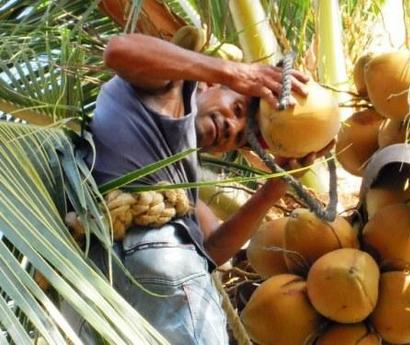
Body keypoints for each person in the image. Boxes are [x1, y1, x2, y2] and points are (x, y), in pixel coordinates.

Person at [70, 33, 318, 345]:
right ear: (211, 86)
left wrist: (273, 189)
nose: (232, 127)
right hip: (109, 274)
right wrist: (233, 71)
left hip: (93, 287)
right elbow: (118, 51)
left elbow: (211, 251)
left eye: (240, 138)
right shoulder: (171, 87)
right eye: (238, 109)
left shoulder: (175, 179)